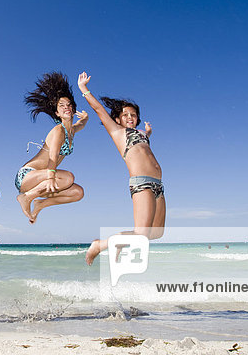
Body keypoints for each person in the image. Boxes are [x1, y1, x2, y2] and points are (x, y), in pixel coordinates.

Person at [77, 72, 165, 266]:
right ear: (117, 120)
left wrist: (148, 133)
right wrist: (84, 89)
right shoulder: (118, 132)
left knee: (156, 233)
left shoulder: (142, 135)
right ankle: (99, 245)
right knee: (141, 233)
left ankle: (120, 243)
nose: (130, 117)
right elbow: (99, 109)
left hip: (158, 184)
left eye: (133, 115)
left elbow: (144, 150)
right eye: (125, 115)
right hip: (142, 183)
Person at [15, 72, 87, 223]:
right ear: (57, 113)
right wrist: (50, 177)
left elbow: (80, 124)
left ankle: (40, 203)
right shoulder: (58, 131)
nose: (66, 107)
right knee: (68, 177)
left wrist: (85, 118)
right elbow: (53, 156)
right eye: (61, 106)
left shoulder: (71, 130)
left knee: (77, 192)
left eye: (69, 105)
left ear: (73, 109)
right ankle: (26, 197)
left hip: (43, 178)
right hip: (28, 176)